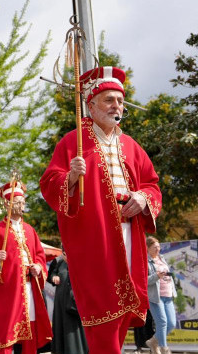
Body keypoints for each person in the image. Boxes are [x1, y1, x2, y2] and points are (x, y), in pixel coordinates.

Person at [41, 66, 162, 353]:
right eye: (109, 100)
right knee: (103, 310)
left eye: (120, 101)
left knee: (124, 309)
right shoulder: (73, 142)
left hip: (130, 234)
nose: (116, 106)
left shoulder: (131, 146)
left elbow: (153, 185)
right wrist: (70, 177)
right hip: (96, 237)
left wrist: (144, 198)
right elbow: (48, 184)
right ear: (91, 105)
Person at [0, 180, 52, 353]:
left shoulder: (30, 230)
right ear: (8, 204)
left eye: (23, 202)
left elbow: (40, 255)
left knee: (30, 332)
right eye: (18, 202)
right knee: (7, 333)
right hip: (8, 292)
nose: (22, 206)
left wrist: (38, 267)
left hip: (29, 290)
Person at [46, 252, 87, 354]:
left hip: (76, 303)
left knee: (75, 330)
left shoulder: (82, 258)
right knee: (61, 328)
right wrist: (54, 277)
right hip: (61, 302)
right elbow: (50, 275)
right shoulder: (58, 261)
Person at [147, 236, 177, 354]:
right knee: (162, 322)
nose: (158, 249)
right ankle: (164, 349)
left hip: (168, 295)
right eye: (155, 247)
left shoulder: (162, 258)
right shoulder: (146, 261)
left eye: (159, 246)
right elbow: (144, 281)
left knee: (171, 324)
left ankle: (153, 341)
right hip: (156, 297)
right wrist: (157, 276)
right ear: (147, 248)